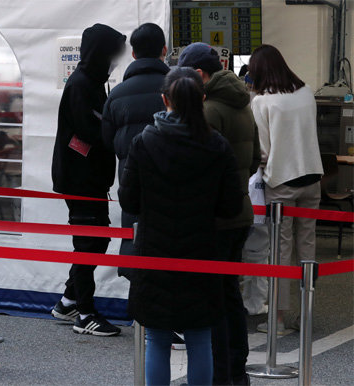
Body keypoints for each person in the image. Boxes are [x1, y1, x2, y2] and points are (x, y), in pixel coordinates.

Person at [119, 67, 243, 386]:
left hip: (155, 252)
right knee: (200, 340)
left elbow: (129, 202)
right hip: (202, 252)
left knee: (157, 340)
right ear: (202, 100)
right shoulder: (217, 145)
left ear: (164, 100)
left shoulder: (144, 142)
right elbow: (231, 205)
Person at [178, 42, 260, 385]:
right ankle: (235, 371)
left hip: (215, 217)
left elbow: (197, 168)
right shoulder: (242, 103)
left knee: (212, 301)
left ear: (198, 75)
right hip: (239, 211)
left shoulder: (209, 110)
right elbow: (255, 158)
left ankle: (220, 373)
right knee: (229, 295)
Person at [50, 23, 126, 336]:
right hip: (79, 178)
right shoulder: (81, 84)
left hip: (91, 177)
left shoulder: (93, 82)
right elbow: (89, 130)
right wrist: (119, 131)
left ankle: (68, 301)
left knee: (97, 238)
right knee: (89, 241)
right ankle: (84, 312)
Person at [249, 44, 323, 333]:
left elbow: (263, 150)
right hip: (312, 176)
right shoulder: (305, 92)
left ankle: (277, 319)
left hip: (281, 181)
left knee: (280, 251)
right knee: (308, 248)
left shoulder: (262, 102)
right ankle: (305, 316)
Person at [101, 22, 169, 268]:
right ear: (164, 49)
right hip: (172, 183)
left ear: (133, 53)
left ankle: (137, 302)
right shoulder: (177, 89)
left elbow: (107, 141)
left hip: (131, 182)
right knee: (169, 253)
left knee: (136, 248)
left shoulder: (117, 94)